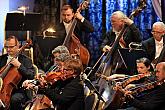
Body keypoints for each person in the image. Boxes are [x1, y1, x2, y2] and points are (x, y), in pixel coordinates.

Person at [101, 11, 142, 75]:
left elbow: (139, 39)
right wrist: (104, 47)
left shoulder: (130, 30)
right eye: (111, 21)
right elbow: (103, 44)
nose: (111, 23)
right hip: (113, 61)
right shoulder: (111, 32)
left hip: (128, 61)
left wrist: (132, 24)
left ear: (122, 21)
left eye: (114, 21)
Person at [0, 35, 35, 110]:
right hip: (2, 89)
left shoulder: (26, 60)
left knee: (14, 99)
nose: (8, 49)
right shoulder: (1, 59)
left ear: (18, 46)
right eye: (6, 47)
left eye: (11, 47)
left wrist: (19, 65)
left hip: (20, 90)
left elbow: (31, 75)